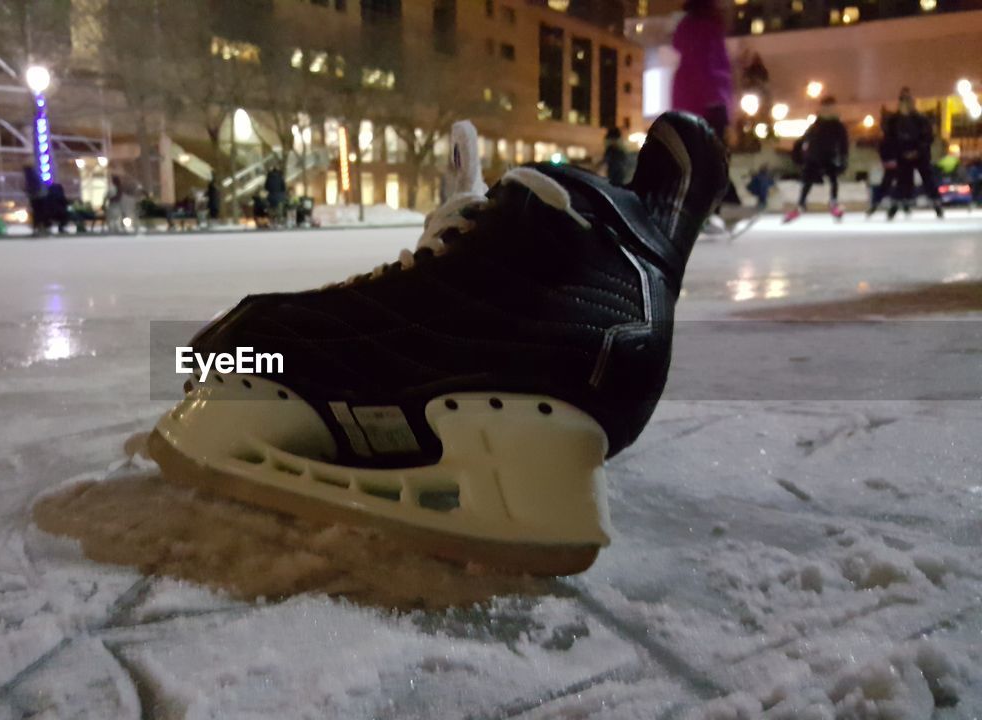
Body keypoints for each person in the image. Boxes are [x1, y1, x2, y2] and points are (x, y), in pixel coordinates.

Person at [141, 112, 729, 575]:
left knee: (247, 341)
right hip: (615, 377)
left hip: (553, 349)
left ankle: (505, 335)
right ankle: (547, 369)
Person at [672, 0, 740, 208]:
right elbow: (712, 69)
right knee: (713, 157)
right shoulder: (707, 29)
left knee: (703, 158)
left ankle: (716, 204)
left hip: (692, 104)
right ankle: (722, 204)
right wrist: (720, 104)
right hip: (709, 103)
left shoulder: (690, 28)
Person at [881, 87, 943, 220]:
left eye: (908, 101)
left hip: (920, 155)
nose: (906, 104)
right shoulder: (894, 121)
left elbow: (927, 137)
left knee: (927, 179)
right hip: (902, 156)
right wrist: (898, 153)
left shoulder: (920, 119)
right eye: (903, 101)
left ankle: (936, 204)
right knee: (903, 181)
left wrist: (917, 151)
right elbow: (889, 139)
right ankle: (897, 206)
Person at [785, 96, 848, 223]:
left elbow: (843, 143)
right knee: (807, 182)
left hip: (829, 157)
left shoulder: (837, 125)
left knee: (833, 180)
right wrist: (798, 154)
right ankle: (801, 203)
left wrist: (843, 157)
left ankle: (833, 201)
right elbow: (804, 140)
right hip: (814, 158)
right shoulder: (816, 125)